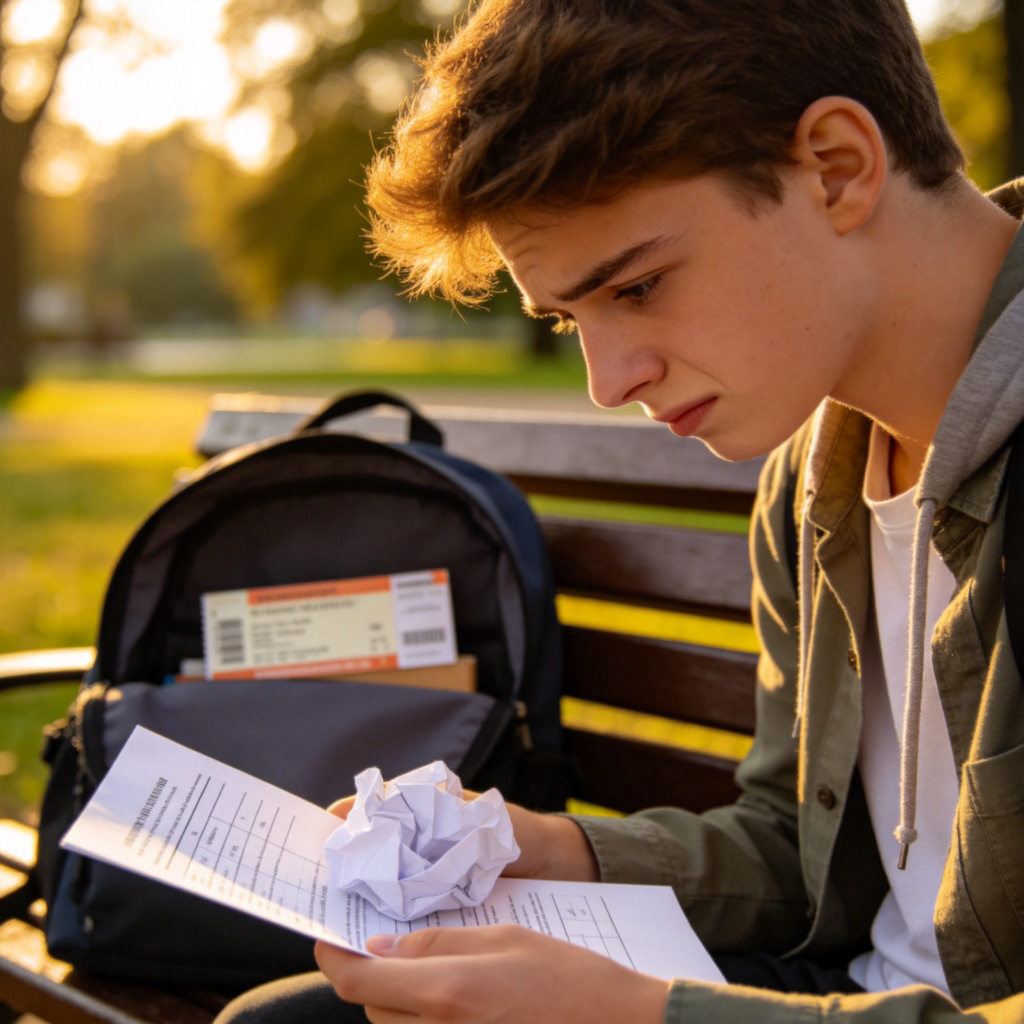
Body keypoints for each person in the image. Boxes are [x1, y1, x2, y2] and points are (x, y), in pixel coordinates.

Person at [214, 0, 1024, 1020]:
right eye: (568, 317)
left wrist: (640, 1014)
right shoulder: (813, 472)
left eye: (636, 287)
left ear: (835, 166)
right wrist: (549, 847)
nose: (608, 380)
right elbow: (795, 843)